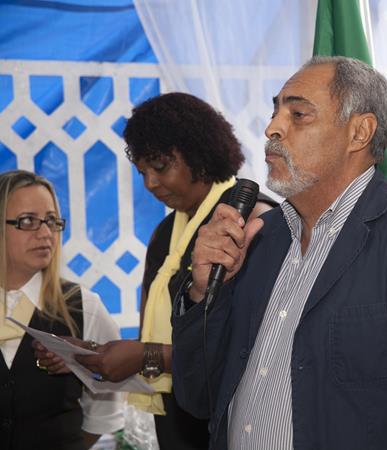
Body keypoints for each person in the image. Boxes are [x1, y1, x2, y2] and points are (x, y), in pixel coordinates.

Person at [172, 56, 387, 449]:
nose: (272, 128)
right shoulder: (257, 241)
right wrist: (204, 293)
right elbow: (199, 396)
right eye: (275, 112)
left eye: (298, 114)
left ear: (360, 132)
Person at [34, 92, 275, 449]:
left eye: (160, 167)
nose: (149, 183)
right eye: (142, 172)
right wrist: (91, 353)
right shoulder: (164, 235)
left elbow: (257, 347)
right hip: (177, 418)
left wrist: (146, 357)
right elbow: (159, 341)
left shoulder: (252, 220)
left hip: (234, 421)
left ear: (199, 153)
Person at [0, 170, 123, 450]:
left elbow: (103, 412)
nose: (45, 234)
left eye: (52, 221)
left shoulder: (85, 307)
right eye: (28, 221)